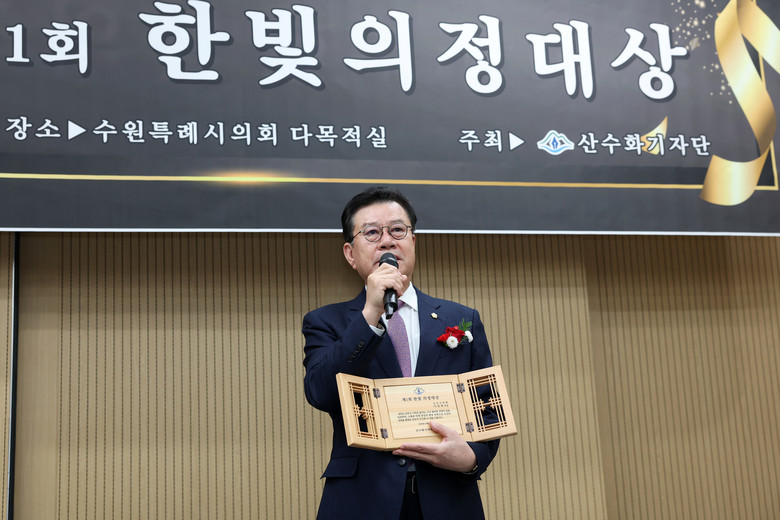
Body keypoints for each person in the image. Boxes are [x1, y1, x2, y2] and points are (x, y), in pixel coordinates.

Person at [302, 186, 499, 520]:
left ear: (413, 242)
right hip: (362, 500)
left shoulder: (460, 319)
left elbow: (488, 408)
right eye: (371, 233)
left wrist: (470, 458)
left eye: (397, 230)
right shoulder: (326, 321)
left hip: (448, 499)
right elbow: (321, 393)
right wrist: (370, 315)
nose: (387, 242)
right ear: (350, 254)